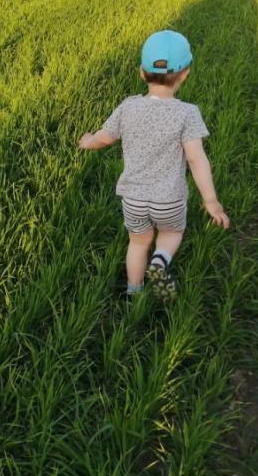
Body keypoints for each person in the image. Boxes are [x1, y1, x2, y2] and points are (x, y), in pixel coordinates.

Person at [78, 30, 229, 300]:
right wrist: (211, 200)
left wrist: (88, 141)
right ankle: (160, 261)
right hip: (169, 200)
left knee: (137, 242)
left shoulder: (128, 107)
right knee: (171, 233)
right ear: (185, 73)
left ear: (141, 72)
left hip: (133, 199)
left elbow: (105, 137)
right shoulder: (187, 113)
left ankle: (133, 292)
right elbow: (196, 159)